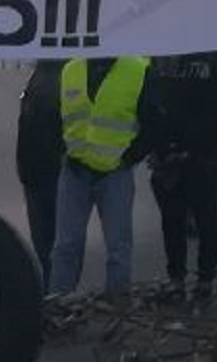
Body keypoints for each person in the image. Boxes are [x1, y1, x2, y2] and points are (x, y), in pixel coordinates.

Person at [142, 48, 217, 296]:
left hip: (203, 150)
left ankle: (205, 279)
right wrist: (154, 145)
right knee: (172, 218)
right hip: (168, 150)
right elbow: (149, 100)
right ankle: (176, 278)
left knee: (206, 215)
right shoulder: (162, 53)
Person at [48, 56, 149, 296]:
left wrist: (131, 157)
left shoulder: (137, 70)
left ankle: (116, 305)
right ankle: (59, 306)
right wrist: (61, 150)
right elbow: (56, 115)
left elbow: (155, 120)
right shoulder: (71, 69)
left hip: (114, 172)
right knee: (66, 246)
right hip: (76, 169)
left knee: (118, 247)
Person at [15, 61, 66, 272]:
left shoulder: (52, 79)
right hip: (38, 167)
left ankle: (53, 290)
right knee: (48, 238)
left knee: (48, 238)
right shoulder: (44, 76)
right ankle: (52, 288)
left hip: (46, 168)